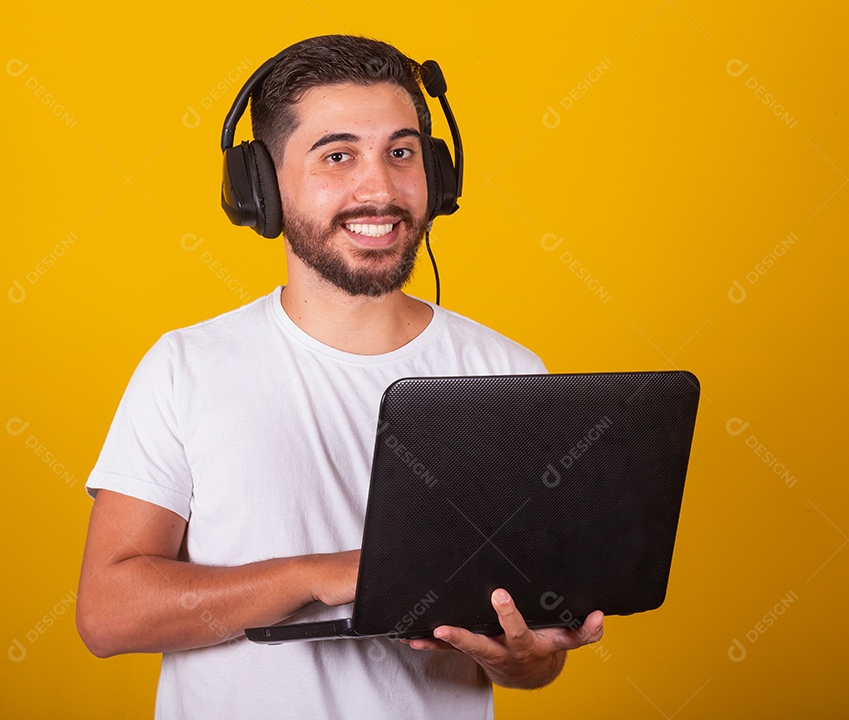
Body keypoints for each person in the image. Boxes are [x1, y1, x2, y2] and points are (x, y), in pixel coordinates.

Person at [76, 34, 603, 719]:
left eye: (402, 152)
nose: (379, 188)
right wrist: (324, 574)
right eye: (338, 155)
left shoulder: (507, 373)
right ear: (260, 187)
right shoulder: (186, 367)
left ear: (436, 176)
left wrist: (528, 659)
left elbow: (531, 662)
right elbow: (111, 614)